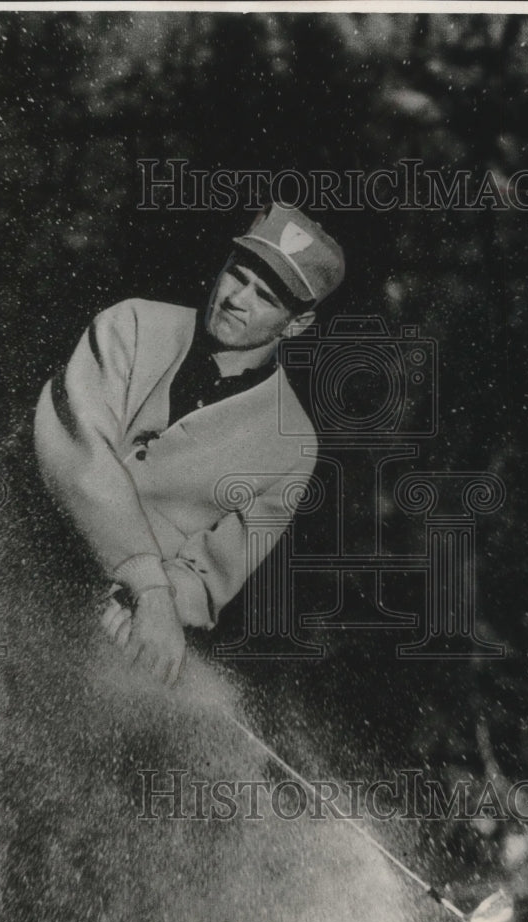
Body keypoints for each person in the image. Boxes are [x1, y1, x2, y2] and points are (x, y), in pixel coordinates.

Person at [33, 203, 345, 684]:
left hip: (101, 623)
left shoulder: (293, 446)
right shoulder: (132, 325)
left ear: (296, 324)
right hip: (18, 541)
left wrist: (155, 607)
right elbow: (77, 451)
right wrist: (150, 587)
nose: (237, 298)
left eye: (264, 296)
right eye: (236, 275)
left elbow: (211, 575)